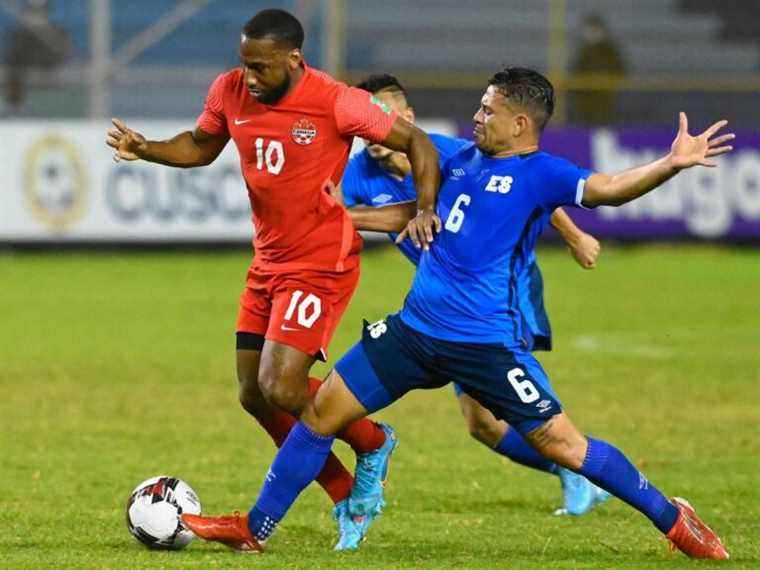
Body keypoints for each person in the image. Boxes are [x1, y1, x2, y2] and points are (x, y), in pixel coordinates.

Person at [181, 67, 733, 560]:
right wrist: (342, 217)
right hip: (412, 333)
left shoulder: (544, 173)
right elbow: (406, 209)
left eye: (487, 110)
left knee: (561, 443)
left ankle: (675, 521)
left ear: (520, 123)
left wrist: (672, 163)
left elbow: (608, 189)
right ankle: (255, 527)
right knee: (321, 414)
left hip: (484, 345)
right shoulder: (458, 156)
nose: (477, 116)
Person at [105, 9, 441, 550]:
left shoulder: (335, 100)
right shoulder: (230, 90)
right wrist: (147, 150)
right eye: (244, 64)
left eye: (261, 67)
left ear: (293, 59)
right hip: (268, 262)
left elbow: (420, 145)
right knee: (253, 395)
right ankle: (345, 490)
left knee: (281, 385)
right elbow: (201, 144)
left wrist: (424, 207)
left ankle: (373, 440)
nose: (250, 78)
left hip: (320, 262)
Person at [339, 73, 608, 517]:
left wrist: (575, 235)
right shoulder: (358, 174)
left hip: (503, 292)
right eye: (365, 122)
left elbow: (530, 184)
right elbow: (334, 211)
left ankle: (575, 464)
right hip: (451, 301)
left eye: (382, 118)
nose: (373, 131)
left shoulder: (444, 152)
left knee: (506, 411)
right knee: (481, 424)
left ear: (406, 119)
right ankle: (570, 468)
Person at [570, 14, 626, 126]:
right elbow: (576, 71)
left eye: (594, 29)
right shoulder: (583, 51)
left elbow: (620, 69)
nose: (591, 33)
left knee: (605, 124)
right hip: (586, 98)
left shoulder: (610, 50)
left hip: (606, 97)